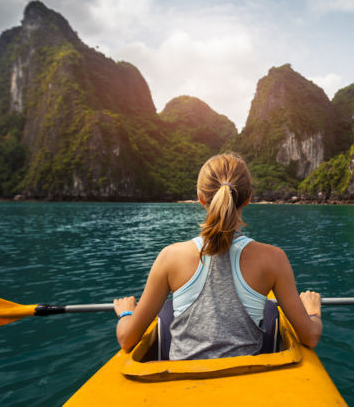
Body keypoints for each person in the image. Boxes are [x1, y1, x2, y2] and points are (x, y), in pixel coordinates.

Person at [113, 152, 322, 359]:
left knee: (165, 314)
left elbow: (127, 339)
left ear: (200, 198)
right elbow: (310, 337)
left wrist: (126, 314)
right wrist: (312, 311)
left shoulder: (170, 257)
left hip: (182, 385)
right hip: (245, 385)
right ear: (248, 198)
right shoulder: (273, 259)